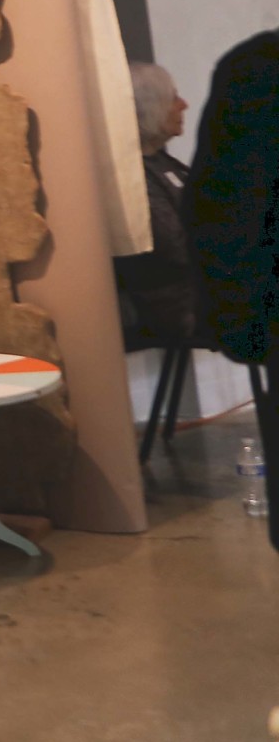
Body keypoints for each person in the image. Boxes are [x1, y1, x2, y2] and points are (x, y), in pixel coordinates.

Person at [186, 29, 279, 550]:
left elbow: (218, 211)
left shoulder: (258, 66)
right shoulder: (260, 67)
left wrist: (239, 325)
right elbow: (222, 209)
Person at [115, 61, 194, 350]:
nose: (183, 105)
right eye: (173, 98)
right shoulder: (133, 175)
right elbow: (177, 247)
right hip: (176, 304)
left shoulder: (163, 163)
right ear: (148, 107)